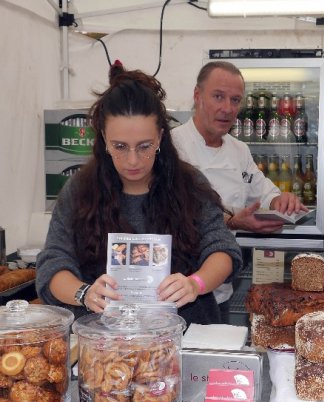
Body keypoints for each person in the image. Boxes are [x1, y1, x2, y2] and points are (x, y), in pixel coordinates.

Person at [36, 64, 243, 325]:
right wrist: (84, 293)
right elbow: (53, 262)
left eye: (144, 146)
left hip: (185, 336)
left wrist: (195, 284)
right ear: (103, 138)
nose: (132, 160)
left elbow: (223, 250)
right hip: (102, 343)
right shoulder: (80, 190)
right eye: (120, 146)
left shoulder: (189, 185)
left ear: (160, 137)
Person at [172, 61, 307, 320]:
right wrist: (233, 221)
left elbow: (263, 191)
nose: (227, 109)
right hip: (180, 290)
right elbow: (180, 213)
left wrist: (281, 200)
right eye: (218, 97)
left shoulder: (239, 150)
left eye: (235, 100)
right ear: (197, 96)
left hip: (221, 289)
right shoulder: (173, 146)